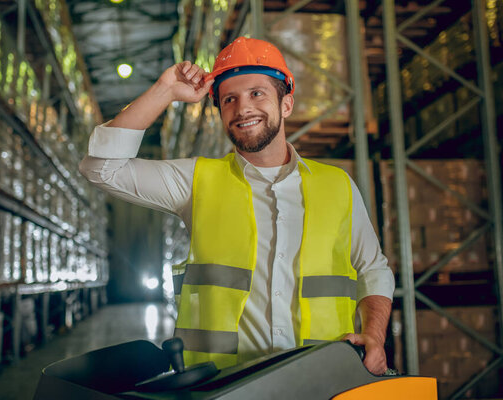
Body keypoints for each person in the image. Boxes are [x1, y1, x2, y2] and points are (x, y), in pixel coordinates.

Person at [79, 37, 395, 375]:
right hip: (223, 385)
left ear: (285, 104)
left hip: (324, 379)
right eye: (230, 99)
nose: (243, 109)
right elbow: (100, 167)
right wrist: (166, 91)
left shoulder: (337, 185)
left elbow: (373, 269)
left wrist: (374, 335)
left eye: (257, 93)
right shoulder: (195, 181)